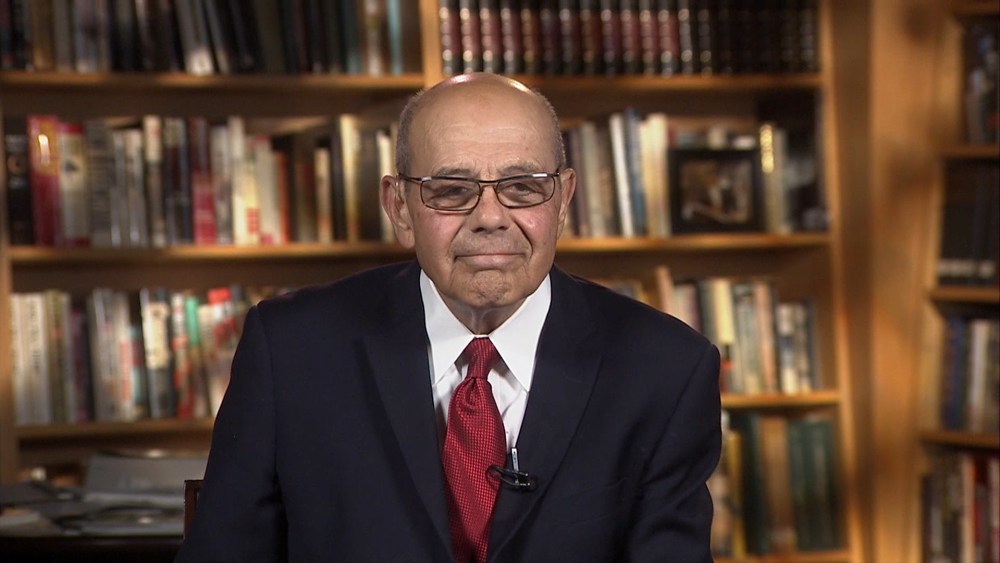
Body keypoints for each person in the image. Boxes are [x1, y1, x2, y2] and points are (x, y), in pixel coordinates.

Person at [176, 73, 721, 562]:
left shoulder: (666, 369)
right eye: (452, 190)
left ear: (562, 201)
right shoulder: (291, 351)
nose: (490, 218)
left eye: (523, 187)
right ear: (399, 208)